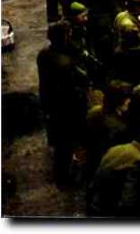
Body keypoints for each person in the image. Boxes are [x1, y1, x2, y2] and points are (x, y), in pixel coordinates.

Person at [37, 20, 89, 187]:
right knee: (65, 144)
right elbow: (80, 80)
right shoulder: (65, 64)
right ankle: (64, 179)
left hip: (51, 102)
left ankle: (64, 172)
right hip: (67, 106)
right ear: (64, 37)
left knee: (61, 141)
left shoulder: (44, 54)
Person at [87, 131, 140, 217]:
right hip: (113, 211)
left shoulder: (117, 148)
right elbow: (129, 198)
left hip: (96, 203)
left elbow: (97, 176)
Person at [84, 80, 133, 180]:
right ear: (119, 101)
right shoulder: (119, 126)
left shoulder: (93, 111)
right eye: (126, 99)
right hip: (108, 165)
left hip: (92, 156)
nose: (128, 101)